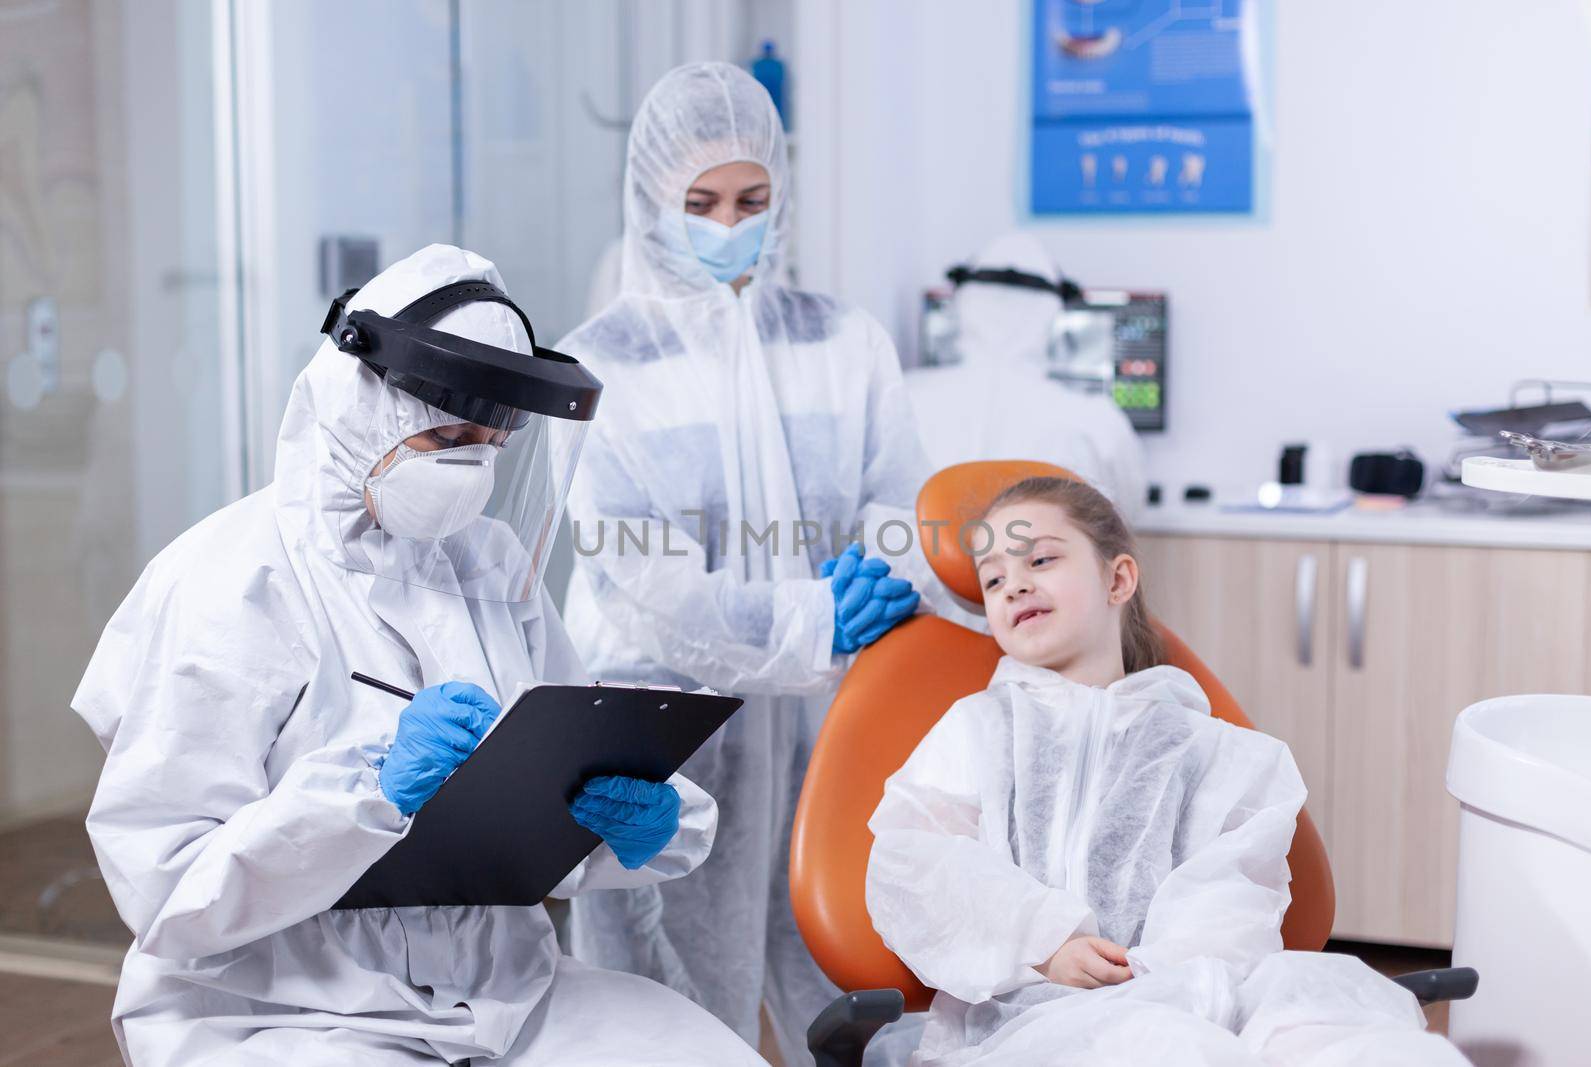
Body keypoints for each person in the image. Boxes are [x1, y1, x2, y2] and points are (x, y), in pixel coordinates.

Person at [71, 244, 766, 1066]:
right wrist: (366, 793)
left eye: (490, 441)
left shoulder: (493, 564)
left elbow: (559, 764)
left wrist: (642, 819)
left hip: (502, 996)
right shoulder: (233, 579)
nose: (470, 464)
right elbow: (167, 888)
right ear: (361, 400)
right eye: (446, 434)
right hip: (278, 1007)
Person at [557, 62, 931, 1065]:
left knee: (849, 976)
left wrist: (882, 587)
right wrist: (812, 620)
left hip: (822, 726)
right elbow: (652, 587)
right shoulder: (602, 369)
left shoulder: (842, 343)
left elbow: (899, 508)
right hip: (670, 731)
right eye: (702, 202)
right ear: (651, 203)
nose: (730, 223)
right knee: (664, 1015)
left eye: (752, 200)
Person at [864, 476, 1470, 1066]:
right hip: (1025, 1018)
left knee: (1352, 1038)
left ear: (1118, 577)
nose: (1014, 585)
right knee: (1167, 1049)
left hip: (1197, 995)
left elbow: (1230, 893)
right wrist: (1044, 942)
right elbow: (914, 863)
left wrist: (1164, 980)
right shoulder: (977, 729)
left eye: (1040, 561)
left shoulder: (1212, 751)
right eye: (993, 579)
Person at [905, 232, 1146, 518]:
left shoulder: (905, 396)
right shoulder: (1096, 420)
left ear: (963, 305)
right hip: (1045, 561)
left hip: (909, 561)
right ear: (1052, 317)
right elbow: (1125, 517)